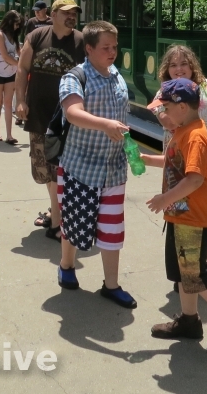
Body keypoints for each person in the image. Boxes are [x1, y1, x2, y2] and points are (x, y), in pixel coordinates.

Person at [143, 78, 207, 356]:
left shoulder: (196, 136)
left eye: (165, 107)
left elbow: (194, 179)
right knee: (183, 272)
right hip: (181, 216)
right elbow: (173, 161)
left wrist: (165, 199)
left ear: (181, 107)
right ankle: (189, 321)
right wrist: (145, 159)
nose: (162, 112)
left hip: (193, 218)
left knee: (195, 274)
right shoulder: (182, 130)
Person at [55, 20, 136, 309]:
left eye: (115, 47)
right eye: (105, 47)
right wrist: (105, 124)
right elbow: (73, 112)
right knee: (75, 222)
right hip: (81, 168)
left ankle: (111, 285)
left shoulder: (116, 75)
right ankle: (66, 265)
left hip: (113, 168)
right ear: (89, 49)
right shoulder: (74, 77)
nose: (112, 52)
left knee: (112, 228)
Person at [15, 0, 86, 239]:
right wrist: (20, 100)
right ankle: (56, 211)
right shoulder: (36, 36)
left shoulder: (81, 41)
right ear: (53, 14)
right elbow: (22, 68)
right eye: (66, 12)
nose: (71, 16)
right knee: (44, 171)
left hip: (68, 118)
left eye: (74, 13)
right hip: (39, 112)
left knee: (60, 170)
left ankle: (58, 220)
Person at [158, 45, 207, 207]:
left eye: (184, 64)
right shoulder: (164, 93)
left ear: (192, 65)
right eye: (173, 65)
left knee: (205, 211)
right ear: (167, 69)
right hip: (179, 169)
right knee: (181, 214)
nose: (179, 69)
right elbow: (168, 122)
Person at [0, 10, 22, 144]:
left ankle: (9, 135)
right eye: (16, 24)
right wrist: (20, 65)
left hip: (11, 72)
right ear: (9, 22)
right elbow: (5, 56)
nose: (17, 27)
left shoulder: (14, 36)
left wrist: (26, 61)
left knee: (8, 103)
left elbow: (20, 52)